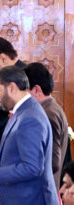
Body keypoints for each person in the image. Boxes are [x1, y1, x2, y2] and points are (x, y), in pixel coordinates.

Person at [0, 66, 58, 204]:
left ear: (12, 88)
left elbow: (32, 167)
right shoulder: (23, 111)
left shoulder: (30, 118)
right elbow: (18, 157)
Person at [24, 62, 68, 191]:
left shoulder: (47, 114)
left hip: (41, 191)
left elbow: (53, 163)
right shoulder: (50, 108)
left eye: (24, 90)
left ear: (36, 90)